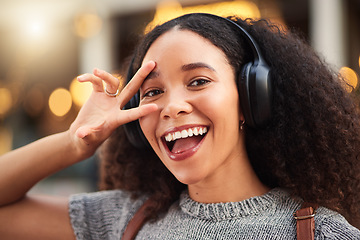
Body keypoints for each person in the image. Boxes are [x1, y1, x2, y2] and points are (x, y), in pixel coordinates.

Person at [0, 12, 360, 240]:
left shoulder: (320, 233)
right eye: (153, 92)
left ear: (251, 97)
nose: (171, 107)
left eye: (198, 81)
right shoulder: (125, 220)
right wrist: (74, 144)